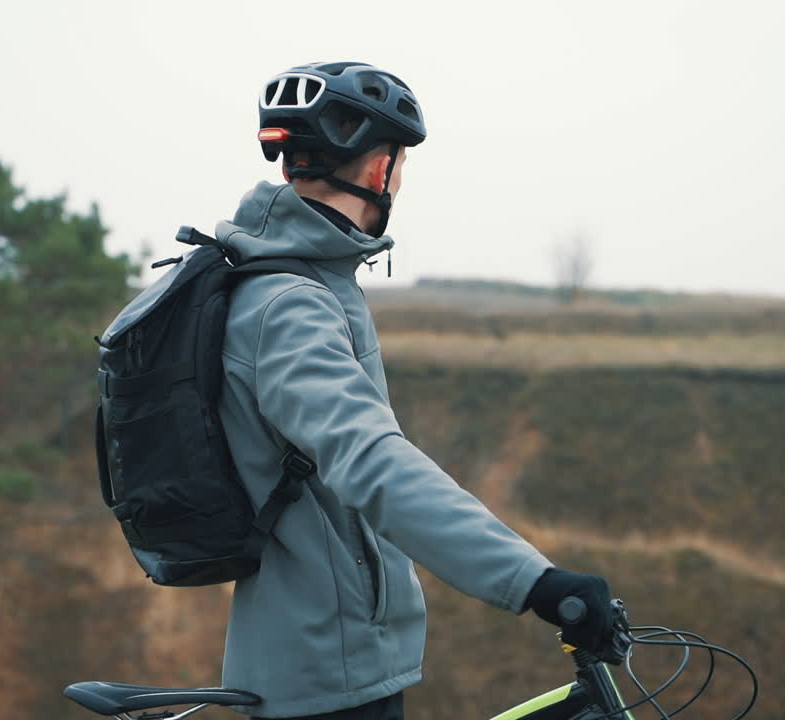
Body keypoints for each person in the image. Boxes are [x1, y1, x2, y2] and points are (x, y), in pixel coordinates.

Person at [213, 62, 616, 720]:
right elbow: (369, 458)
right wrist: (535, 581)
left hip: (326, 657)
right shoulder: (289, 306)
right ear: (379, 170)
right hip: (325, 672)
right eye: (399, 164)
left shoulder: (295, 283)